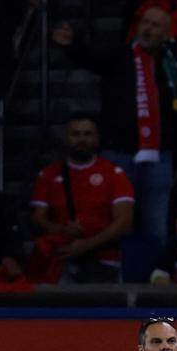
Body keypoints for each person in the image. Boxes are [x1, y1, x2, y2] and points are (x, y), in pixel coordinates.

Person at [53, 11, 177, 265]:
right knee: (113, 223)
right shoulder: (121, 56)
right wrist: (71, 43)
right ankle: (113, 283)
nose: (147, 29)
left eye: (155, 25)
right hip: (119, 155)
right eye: (144, 22)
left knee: (156, 225)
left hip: (160, 157)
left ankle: (153, 284)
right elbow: (91, 58)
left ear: (167, 33)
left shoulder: (172, 65)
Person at [27, 114, 135, 284]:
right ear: (66, 137)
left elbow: (125, 222)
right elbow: (37, 218)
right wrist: (61, 230)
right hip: (59, 260)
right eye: (75, 134)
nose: (81, 139)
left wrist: (87, 244)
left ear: (97, 138)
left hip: (103, 261)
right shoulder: (48, 175)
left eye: (87, 134)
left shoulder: (115, 174)